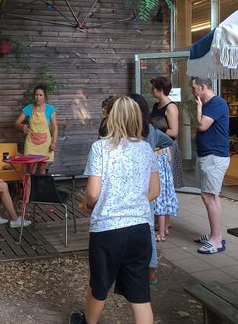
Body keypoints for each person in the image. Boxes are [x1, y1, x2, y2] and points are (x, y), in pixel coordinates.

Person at [70, 96, 160, 324]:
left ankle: (87, 322)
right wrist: (132, 202)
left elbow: (92, 194)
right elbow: (155, 190)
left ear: (112, 118)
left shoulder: (100, 148)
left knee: (100, 285)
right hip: (140, 228)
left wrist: (90, 205)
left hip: (107, 229)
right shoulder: (146, 149)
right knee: (140, 293)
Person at [129, 93, 172, 285]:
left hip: (134, 184)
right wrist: (155, 149)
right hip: (150, 184)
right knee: (147, 226)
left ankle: (134, 266)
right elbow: (169, 141)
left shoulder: (129, 132)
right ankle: (151, 270)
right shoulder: (152, 130)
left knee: (133, 225)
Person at [191, 77, 230, 255]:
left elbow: (202, 126)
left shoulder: (216, 103)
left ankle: (216, 240)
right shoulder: (210, 104)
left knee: (209, 196)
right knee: (210, 196)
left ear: (202, 87)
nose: (193, 92)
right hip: (208, 155)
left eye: (194, 88)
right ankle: (215, 234)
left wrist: (198, 107)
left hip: (214, 156)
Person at [14, 85, 58, 174]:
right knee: (30, 170)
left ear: (44, 96)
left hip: (45, 144)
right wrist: (22, 126)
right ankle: (30, 184)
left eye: (40, 95)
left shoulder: (50, 109)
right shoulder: (28, 108)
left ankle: (40, 184)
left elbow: (55, 127)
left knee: (42, 169)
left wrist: (53, 142)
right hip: (31, 143)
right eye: (36, 95)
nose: (38, 97)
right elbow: (16, 123)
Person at [149, 77, 184, 189]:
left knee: (167, 179)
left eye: (154, 88)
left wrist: (156, 127)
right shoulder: (156, 105)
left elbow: (174, 132)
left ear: (161, 90)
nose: (151, 90)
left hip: (168, 146)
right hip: (157, 145)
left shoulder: (171, 107)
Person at [150, 115, 179, 243]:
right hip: (167, 180)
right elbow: (170, 159)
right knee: (167, 203)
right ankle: (166, 227)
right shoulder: (166, 144)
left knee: (160, 207)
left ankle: (161, 233)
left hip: (159, 179)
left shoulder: (155, 146)